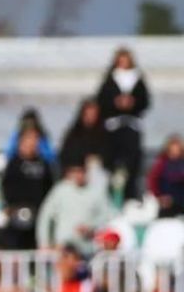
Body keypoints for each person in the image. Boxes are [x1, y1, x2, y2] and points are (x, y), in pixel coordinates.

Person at [97, 47, 151, 203]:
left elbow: (145, 101)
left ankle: (131, 197)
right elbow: (101, 100)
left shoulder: (137, 79)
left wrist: (133, 103)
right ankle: (111, 197)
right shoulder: (110, 79)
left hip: (132, 126)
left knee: (131, 164)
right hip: (113, 127)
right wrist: (116, 103)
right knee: (112, 164)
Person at [36, 158, 111, 253]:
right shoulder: (61, 190)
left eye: (81, 171)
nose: (78, 175)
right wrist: (44, 243)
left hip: (87, 249)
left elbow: (107, 216)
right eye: (75, 171)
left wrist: (91, 227)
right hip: (63, 247)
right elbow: (45, 216)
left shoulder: (97, 191)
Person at [0, 128, 55, 250]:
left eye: (35, 140)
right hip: (18, 215)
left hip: (39, 216)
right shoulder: (13, 164)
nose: (32, 144)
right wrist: (10, 206)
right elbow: (6, 187)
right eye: (29, 140)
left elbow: (49, 187)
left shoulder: (44, 165)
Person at [59, 99, 109, 195]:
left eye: (94, 114)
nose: (91, 117)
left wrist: (96, 160)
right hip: (75, 173)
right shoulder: (73, 134)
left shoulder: (104, 135)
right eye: (88, 113)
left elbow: (108, 156)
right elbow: (65, 156)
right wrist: (77, 170)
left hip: (96, 174)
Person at [147, 134, 184, 219]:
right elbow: (152, 180)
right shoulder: (162, 163)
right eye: (172, 149)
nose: (175, 152)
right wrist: (159, 197)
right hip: (166, 200)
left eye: (177, 149)